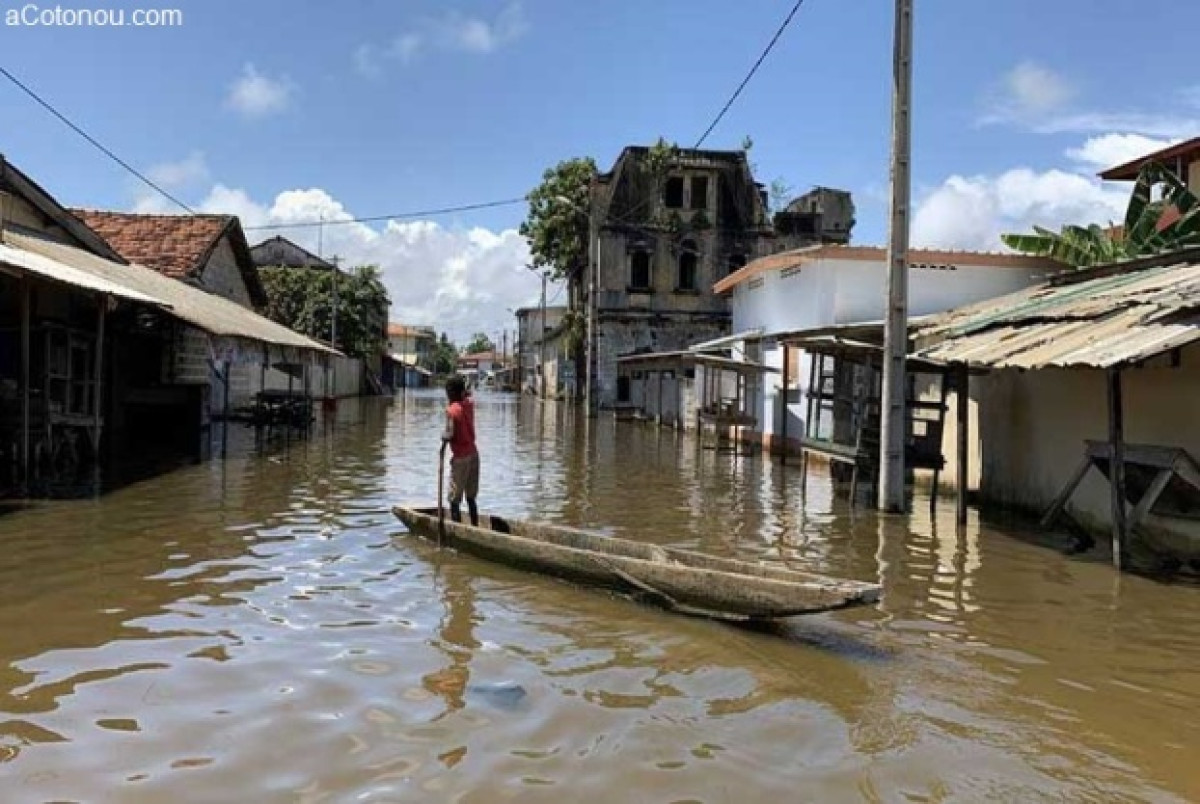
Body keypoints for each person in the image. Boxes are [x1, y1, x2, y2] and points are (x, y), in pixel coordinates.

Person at [440, 375, 479, 526]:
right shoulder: (469, 404)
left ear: (450, 393)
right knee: (471, 497)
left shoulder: (452, 411)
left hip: (461, 458)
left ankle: (456, 529)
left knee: (454, 498)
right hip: (474, 455)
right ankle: (474, 526)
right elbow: (467, 396)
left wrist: (444, 436)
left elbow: (450, 433)